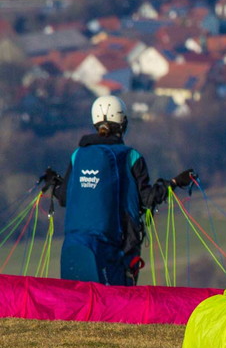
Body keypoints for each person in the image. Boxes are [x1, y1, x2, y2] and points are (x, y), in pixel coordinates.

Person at [42, 96, 194, 286]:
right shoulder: (130, 156)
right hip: (118, 248)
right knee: (116, 305)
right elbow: (146, 199)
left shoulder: (78, 155)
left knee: (80, 301)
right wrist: (174, 183)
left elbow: (64, 197)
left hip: (75, 245)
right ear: (123, 123)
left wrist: (55, 184)